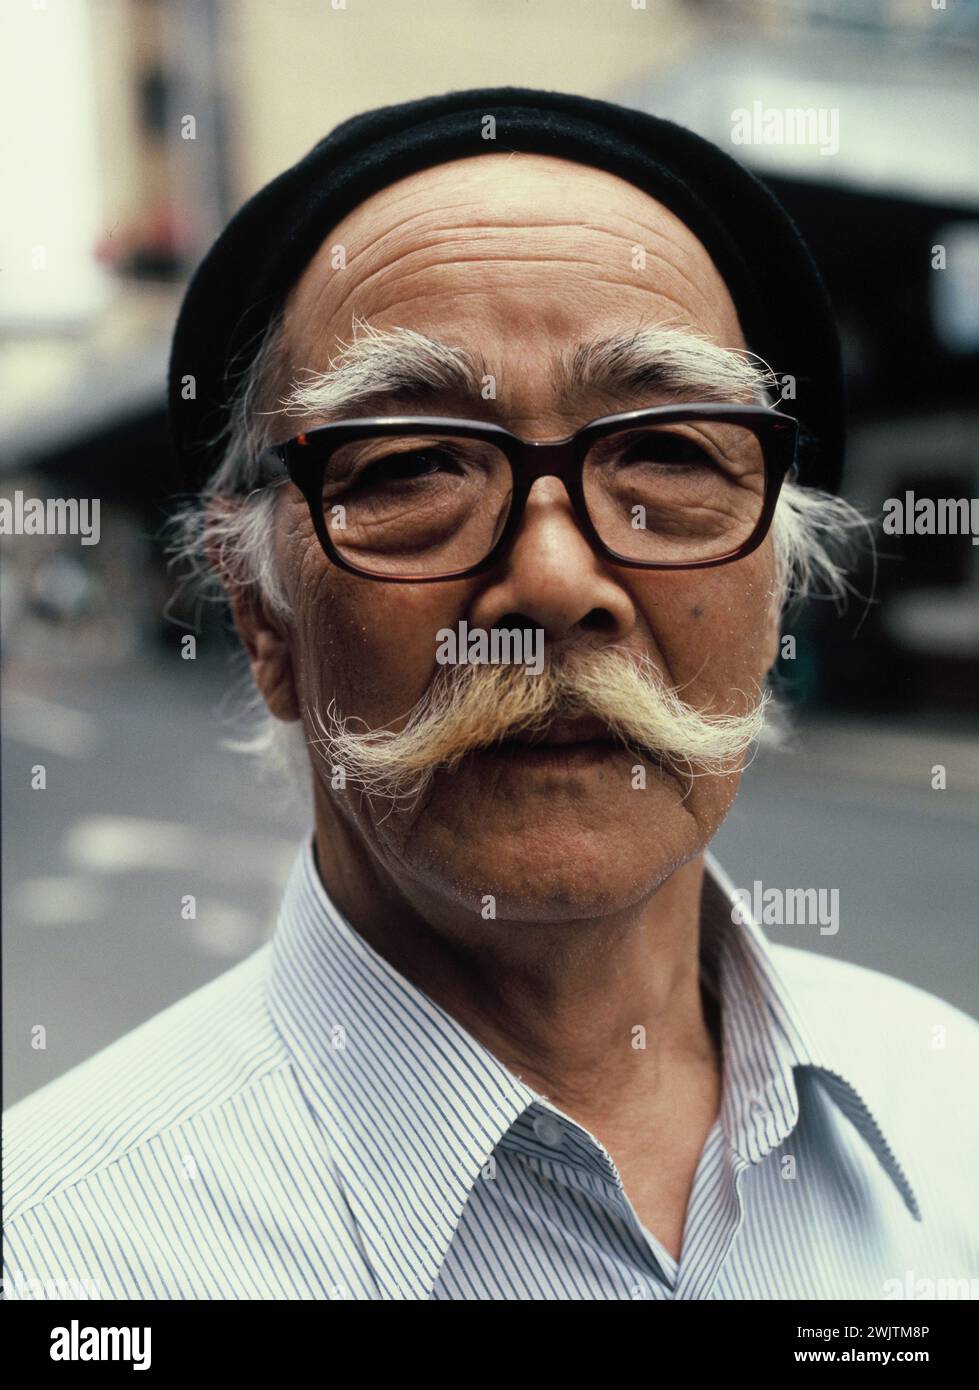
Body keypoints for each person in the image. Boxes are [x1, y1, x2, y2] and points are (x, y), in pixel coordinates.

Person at [4, 88, 976, 1302]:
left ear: (774, 590)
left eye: (668, 453)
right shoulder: (55, 1260)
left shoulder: (952, 1117)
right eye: (413, 465)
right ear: (264, 618)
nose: (557, 581)